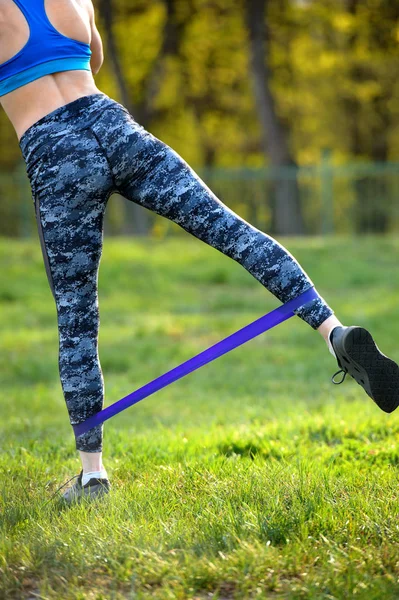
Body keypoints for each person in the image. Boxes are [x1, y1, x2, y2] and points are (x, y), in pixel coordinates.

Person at [1, 0, 398, 503]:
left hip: (54, 149)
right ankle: (333, 331)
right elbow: (92, 59)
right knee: (231, 229)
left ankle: (93, 476)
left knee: (77, 314)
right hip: (115, 127)